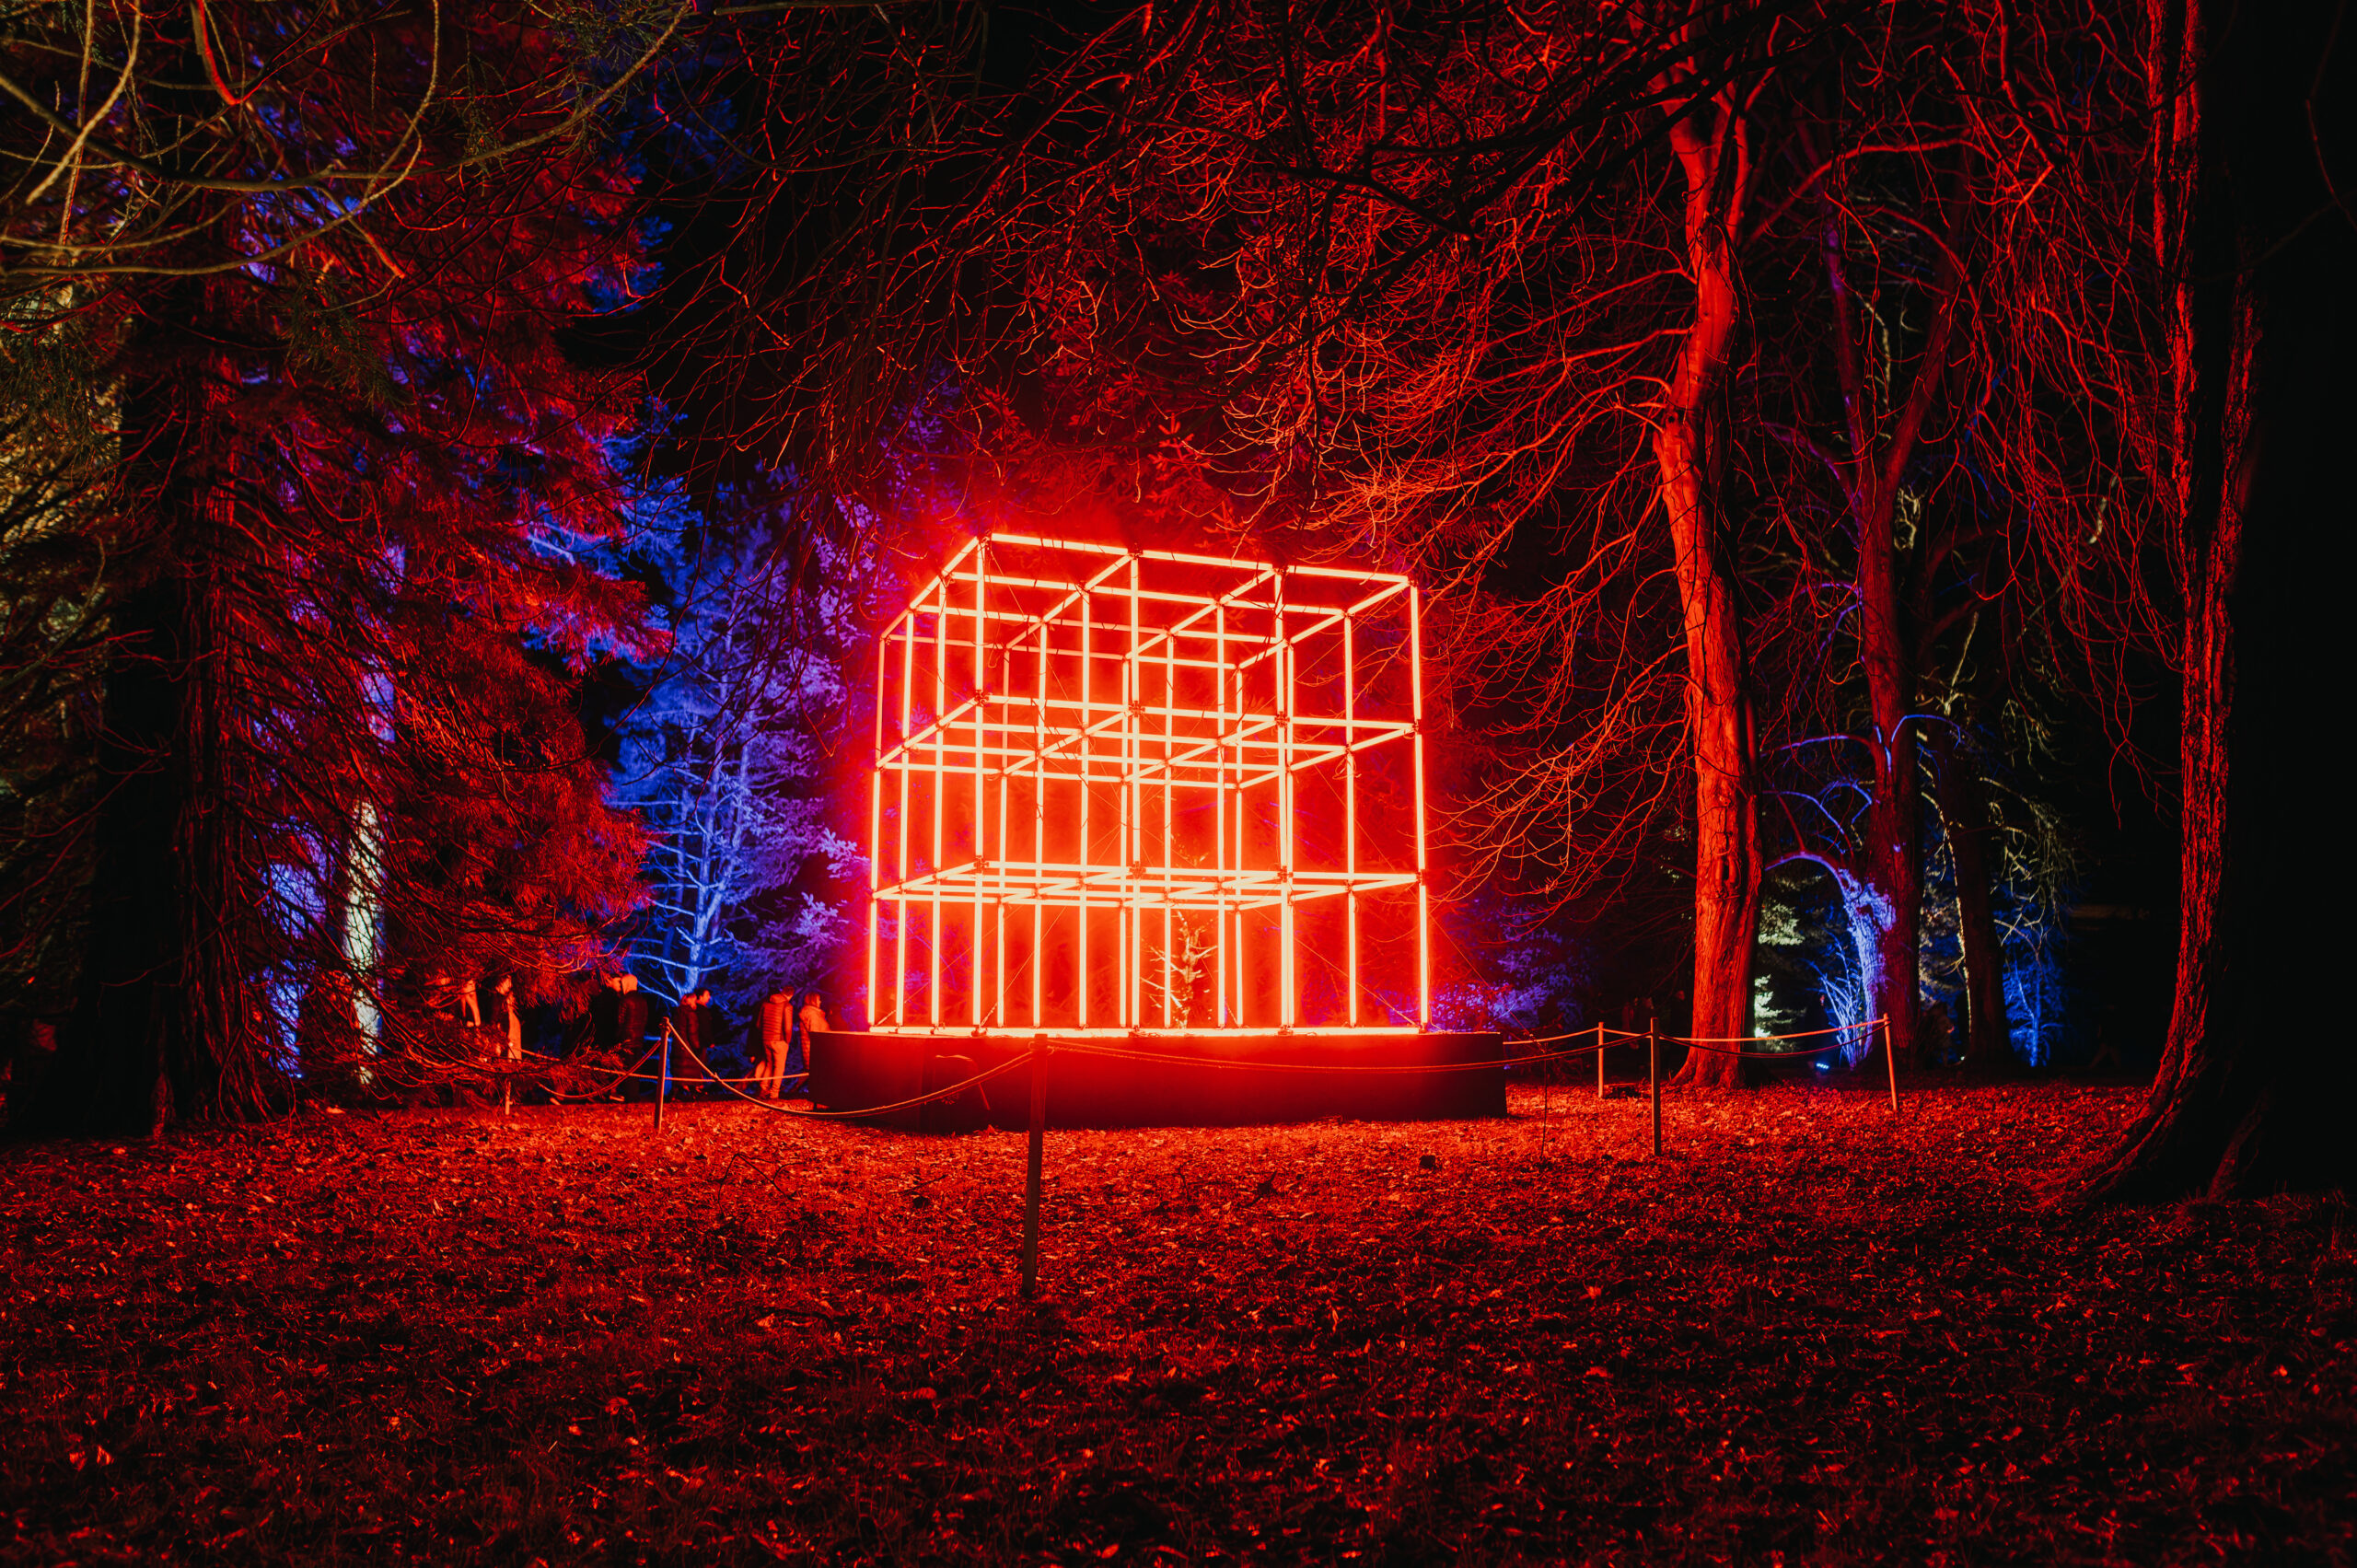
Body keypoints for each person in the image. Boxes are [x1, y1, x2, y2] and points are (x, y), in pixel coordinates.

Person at [755, 985, 791, 1099]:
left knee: (769, 1065)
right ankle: (774, 1093)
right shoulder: (787, 1006)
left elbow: (758, 1024)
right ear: (790, 995)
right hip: (779, 1040)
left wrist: (765, 1035)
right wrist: (787, 1041)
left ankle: (763, 1088)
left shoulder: (765, 1004)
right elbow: (788, 1028)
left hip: (766, 1039)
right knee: (779, 1067)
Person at [792, 988, 830, 1093]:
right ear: (813, 1000)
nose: (820, 1002)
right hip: (815, 1047)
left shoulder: (812, 1013)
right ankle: (817, 1092)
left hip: (812, 1046)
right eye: (818, 999)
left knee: (810, 1070)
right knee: (816, 1069)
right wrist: (822, 1043)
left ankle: (794, 1090)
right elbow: (814, 1032)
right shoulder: (812, 1014)